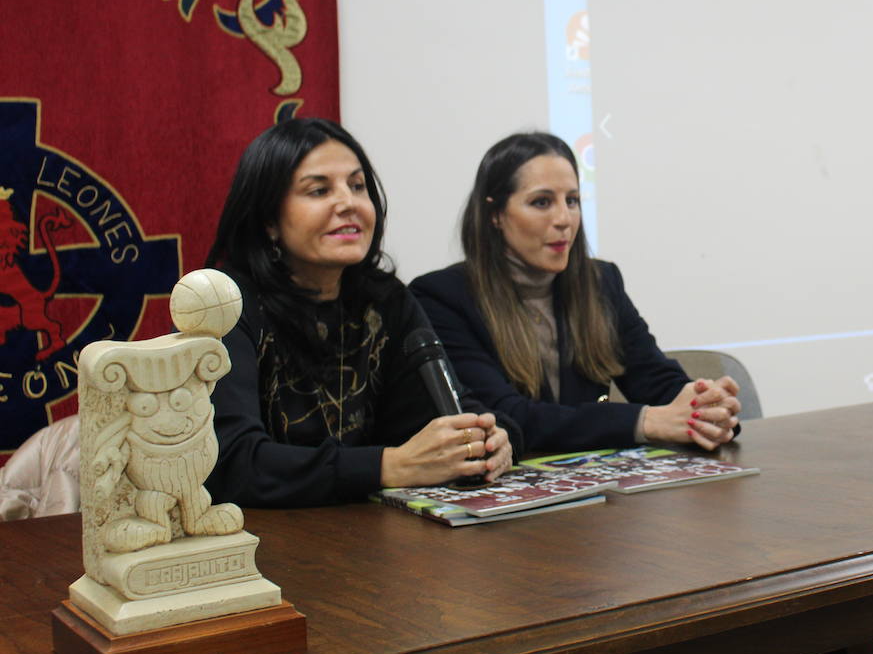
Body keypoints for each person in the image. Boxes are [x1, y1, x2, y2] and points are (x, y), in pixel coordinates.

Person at [204, 118, 518, 507]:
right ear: (269, 220)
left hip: (365, 539)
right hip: (253, 547)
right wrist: (388, 466)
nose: (348, 204)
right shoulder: (223, 305)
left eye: (357, 186)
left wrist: (489, 437)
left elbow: (441, 410)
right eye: (319, 190)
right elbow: (231, 464)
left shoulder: (384, 300)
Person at [409, 132, 741, 453]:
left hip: (599, 496)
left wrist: (704, 404)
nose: (564, 219)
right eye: (541, 202)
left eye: (572, 201)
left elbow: (653, 377)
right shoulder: (441, 298)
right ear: (495, 213)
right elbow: (504, 417)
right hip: (508, 495)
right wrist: (645, 421)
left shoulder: (601, 281)